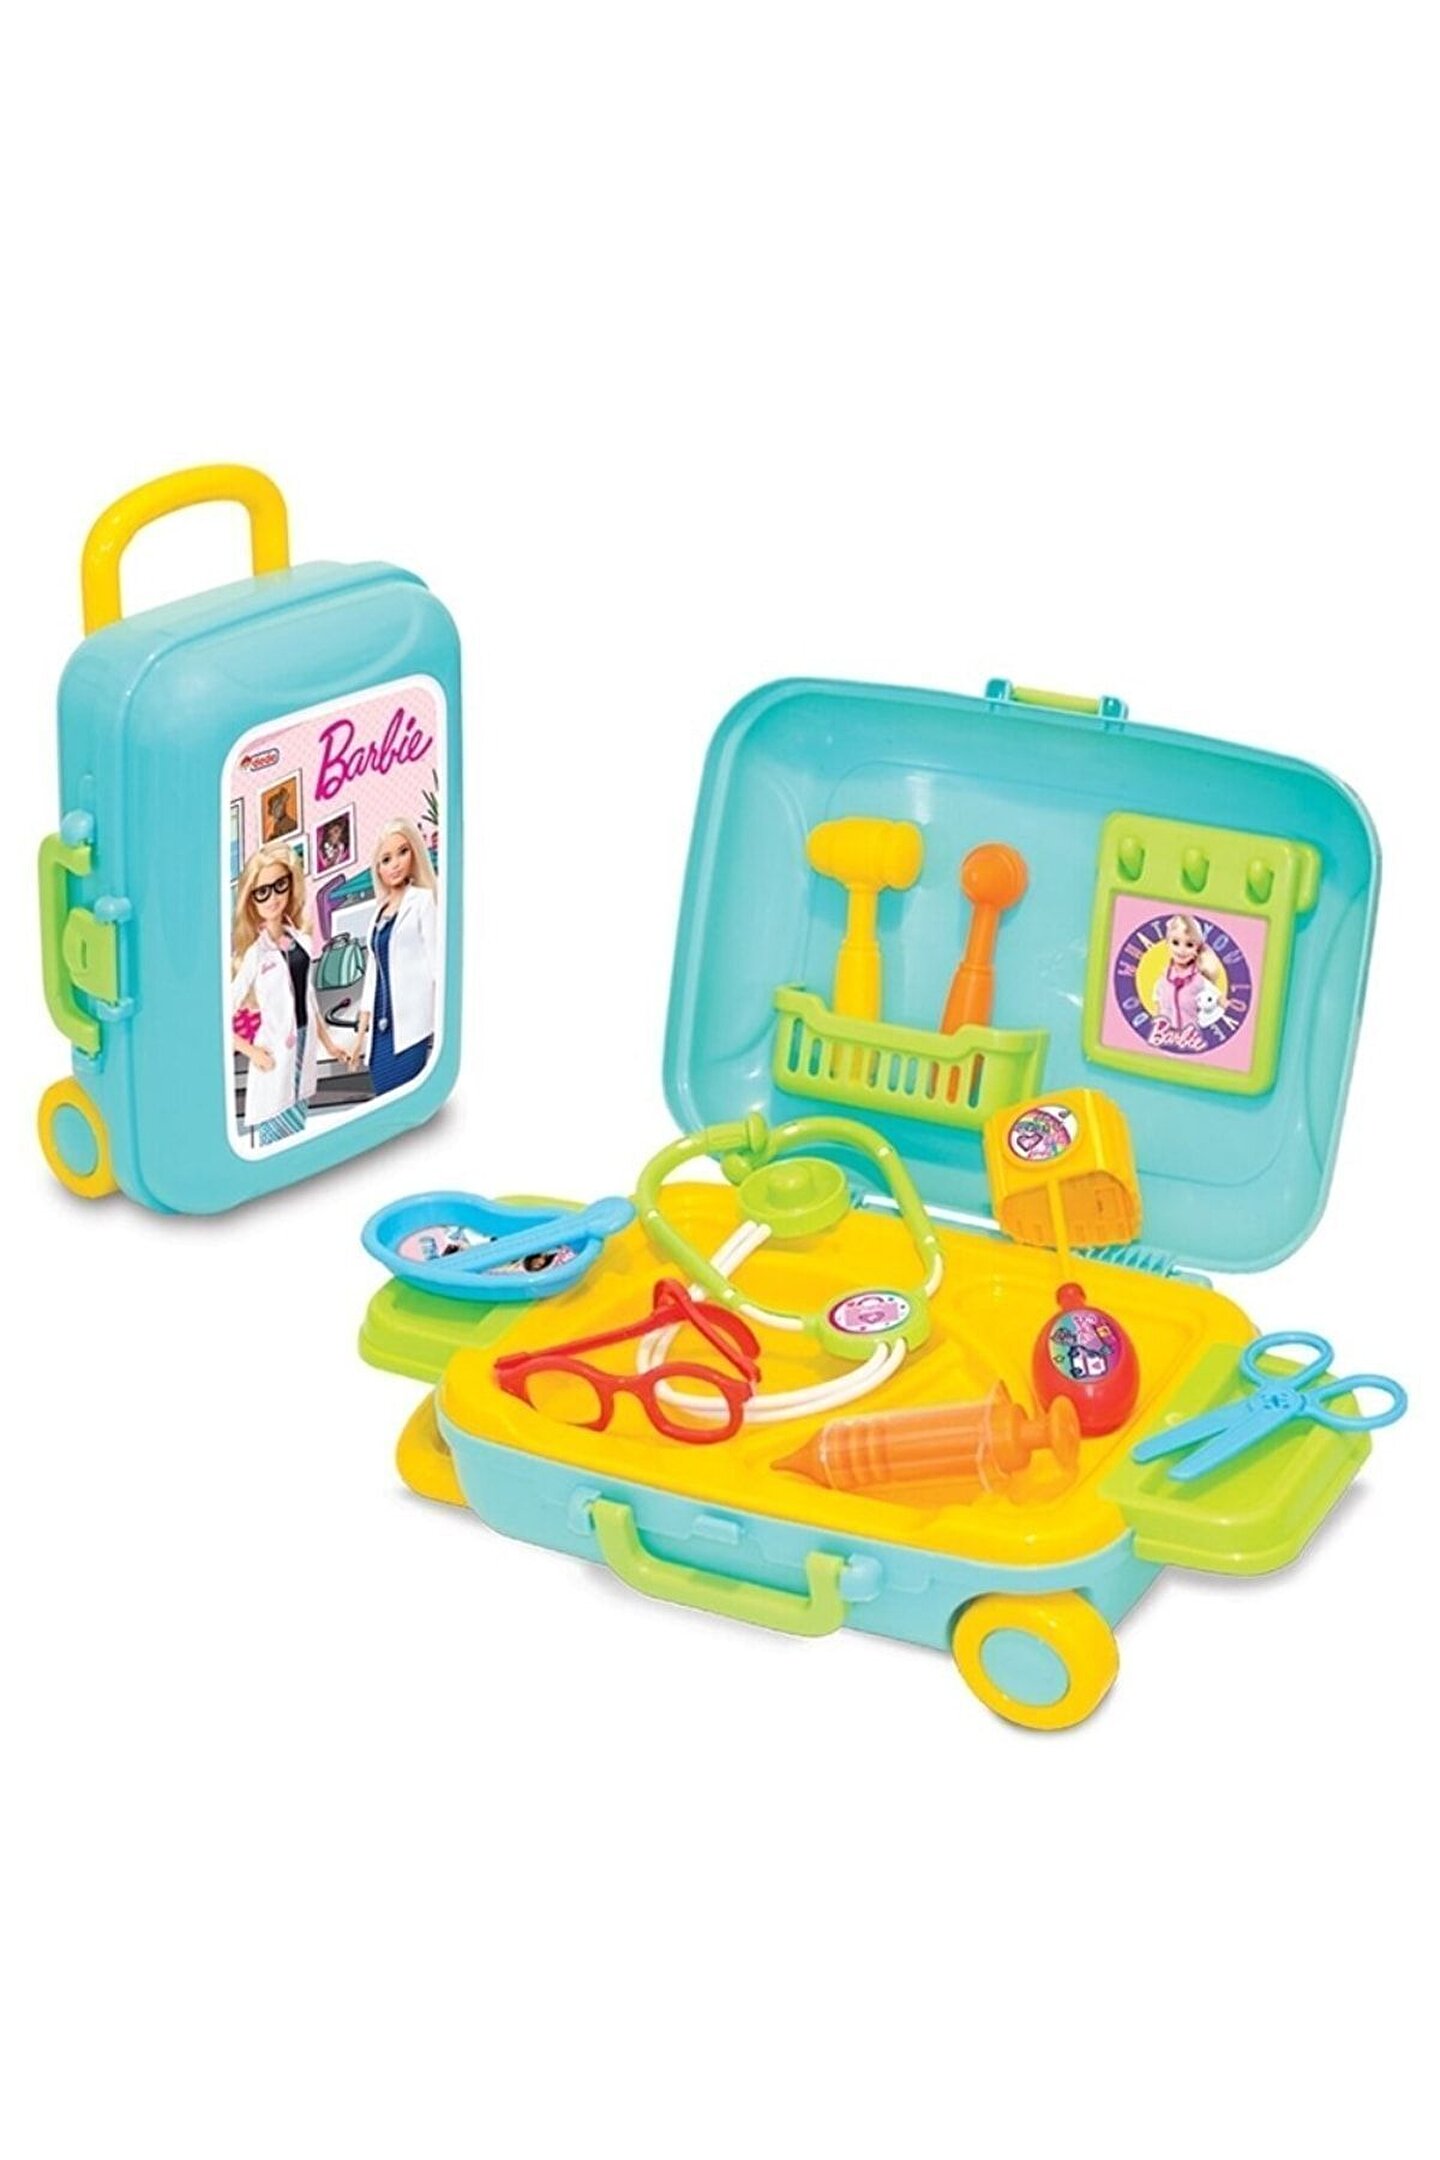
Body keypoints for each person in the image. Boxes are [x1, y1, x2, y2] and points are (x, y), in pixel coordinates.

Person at [231, 843, 347, 1145]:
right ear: (251, 899)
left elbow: (308, 998)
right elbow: (217, 1018)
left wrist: (329, 1044)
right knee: (272, 1138)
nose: (272, 898)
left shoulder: (301, 940)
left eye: (279, 886)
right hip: (273, 1055)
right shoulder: (255, 954)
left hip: (304, 1044)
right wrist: (252, 1052)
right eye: (262, 892)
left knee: (297, 1127)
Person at [351, 818, 439, 1095]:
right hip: (380, 1030)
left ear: (414, 854)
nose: (396, 864)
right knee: (383, 1096)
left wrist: (443, 1024)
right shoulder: (379, 911)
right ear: (378, 868)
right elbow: (373, 974)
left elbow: (437, 965)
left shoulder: (423, 901)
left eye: (403, 852)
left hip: (412, 1025)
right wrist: (360, 1037)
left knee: (407, 1094)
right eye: (386, 859)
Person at [1152, 911, 1225, 1032]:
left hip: (1192, 1034)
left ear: (1197, 948)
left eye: (1189, 945)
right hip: (1166, 1034)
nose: (1181, 950)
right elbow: (1158, 1007)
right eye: (1175, 942)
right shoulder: (1163, 980)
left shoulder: (1199, 980)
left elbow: (1220, 1001)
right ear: (1167, 943)